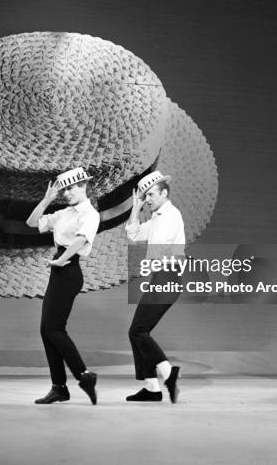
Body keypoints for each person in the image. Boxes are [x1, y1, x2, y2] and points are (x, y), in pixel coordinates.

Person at [26, 167, 100, 405]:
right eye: (63, 190)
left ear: (83, 186)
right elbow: (32, 222)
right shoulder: (62, 213)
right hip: (59, 270)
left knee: (55, 329)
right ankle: (59, 387)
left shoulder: (90, 214)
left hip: (69, 269)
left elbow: (81, 240)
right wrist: (48, 199)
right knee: (46, 329)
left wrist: (61, 258)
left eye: (70, 188)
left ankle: (83, 375)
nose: (66, 193)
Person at [124, 170, 185, 403]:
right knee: (137, 332)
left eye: (150, 195)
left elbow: (159, 249)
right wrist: (135, 209)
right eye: (145, 196)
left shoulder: (170, 215)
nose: (147, 199)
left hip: (167, 277)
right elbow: (134, 234)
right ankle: (151, 387)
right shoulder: (158, 216)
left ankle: (169, 373)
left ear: (164, 193)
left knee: (138, 331)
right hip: (162, 277)